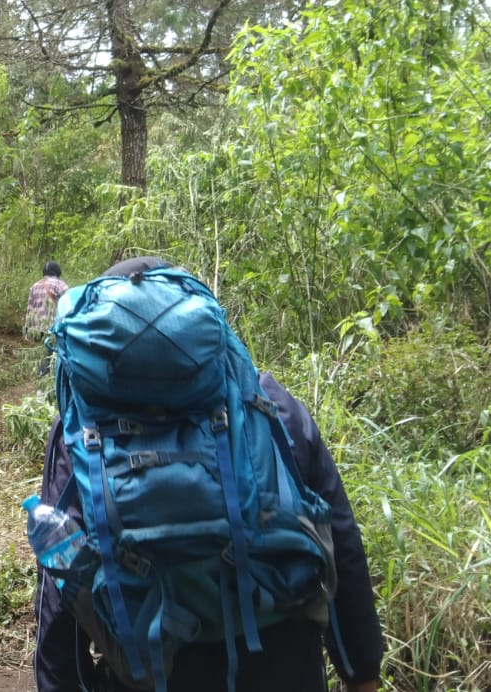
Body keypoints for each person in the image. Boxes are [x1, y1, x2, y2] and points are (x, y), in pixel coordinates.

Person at [33, 256, 384, 692]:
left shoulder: (81, 432)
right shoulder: (268, 404)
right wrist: (360, 671)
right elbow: (340, 538)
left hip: (155, 672)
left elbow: (60, 569)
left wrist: (61, 681)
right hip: (280, 667)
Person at [26, 261, 68, 376]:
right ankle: (48, 380)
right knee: (55, 354)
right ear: (57, 272)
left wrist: (28, 330)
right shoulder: (60, 285)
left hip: (38, 328)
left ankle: (43, 377)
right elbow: (69, 304)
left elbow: (30, 309)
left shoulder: (34, 286)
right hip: (54, 327)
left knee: (44, 353)